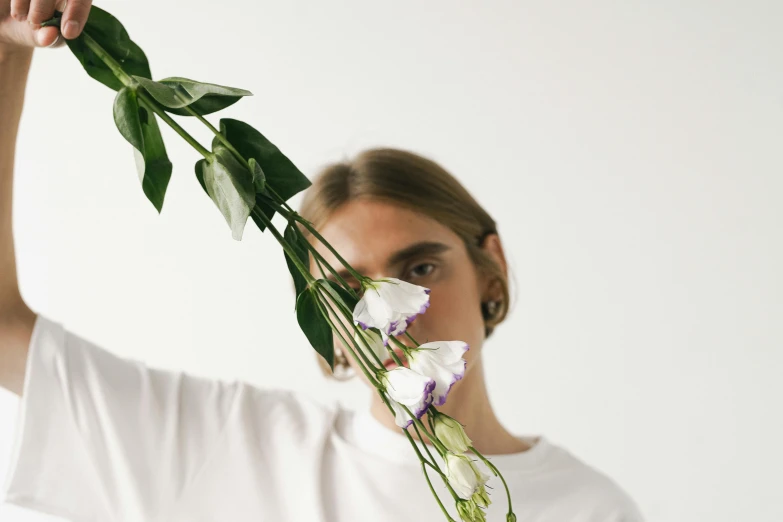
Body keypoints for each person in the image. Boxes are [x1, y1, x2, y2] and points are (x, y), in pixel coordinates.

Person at [0, 1, 645, 520]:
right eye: (345, 291)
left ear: (489, 267)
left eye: (420, 270)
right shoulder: (232, 446)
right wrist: (6, 55)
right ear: (318, 315)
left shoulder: (588, 509)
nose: (391, 318)